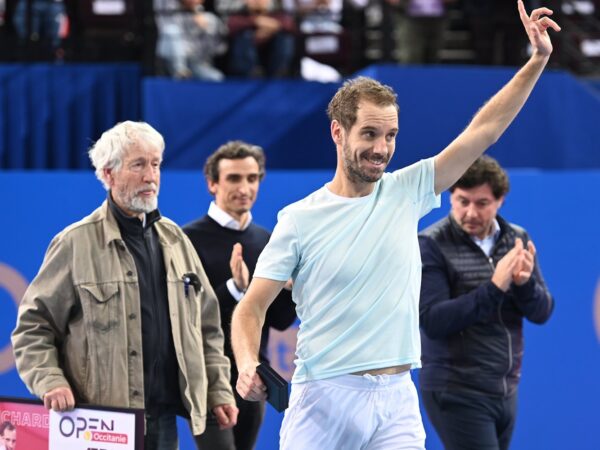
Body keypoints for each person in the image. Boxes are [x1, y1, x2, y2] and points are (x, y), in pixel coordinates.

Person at [230, 2, 560, 449]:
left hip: (397, 401)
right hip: (323, 398)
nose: (381, 149)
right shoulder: (299, 219)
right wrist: (248, 361)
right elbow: (251, 308)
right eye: (369, 134)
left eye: (390, 136)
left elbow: (486, 130)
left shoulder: (407, 190)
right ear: (338, 133)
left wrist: (536, 59)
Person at [11, 121, 237, 449]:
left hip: (162, 420)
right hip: (99, 423)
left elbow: (206, 327)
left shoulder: (176, 240)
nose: (151, 176)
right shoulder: (75, 243)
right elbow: (33, 329)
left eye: (156, 164)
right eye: (138, 165)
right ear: (108, 174)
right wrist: (50, 381)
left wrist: (217, 390)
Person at [418, 155, 554, 450]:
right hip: (454, 390)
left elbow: (542, 311)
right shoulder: (430, 244)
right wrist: (494, 287)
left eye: (481, 203)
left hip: (505, 390)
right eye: (462, 201)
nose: (470, 212)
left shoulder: (517, 238)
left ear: (500, 201)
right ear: (450, 197)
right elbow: (433, 321)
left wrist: (523, 283)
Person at [183, 141, 296, 450]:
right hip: (206, 379)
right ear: (212, 183)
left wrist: (291, 289)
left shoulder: (267, 240)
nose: (244, 187)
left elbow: (280, 322)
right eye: (234, 178)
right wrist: (236, 289)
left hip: (253, 379)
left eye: (252, 178)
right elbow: (188, 318)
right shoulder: (186, 240)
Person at [155, 0, 227, 81]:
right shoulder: (170, 11)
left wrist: (206, 30)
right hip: (171, 60)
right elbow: (165, 31)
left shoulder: (210, 18)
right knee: (171, 31)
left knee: (217, 77)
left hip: (196, 63)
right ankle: (180, 72)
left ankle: (186, 77)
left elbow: (220, 49)